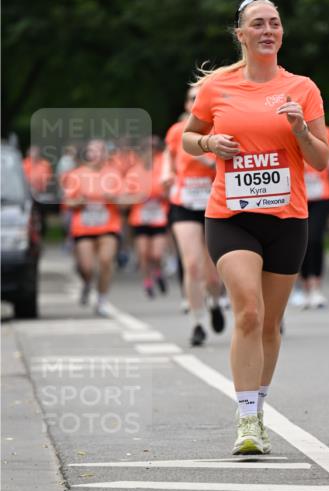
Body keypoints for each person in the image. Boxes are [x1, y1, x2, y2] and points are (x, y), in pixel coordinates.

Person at [183, 0, 329, 455]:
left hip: (287, 218)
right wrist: (208, 141)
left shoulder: (302, 87)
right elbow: (188, 138)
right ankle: (247, 420)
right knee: (248, 309)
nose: (268, 31)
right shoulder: (217, 88)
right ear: (240, 35)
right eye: (258, 24)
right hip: (231, 217)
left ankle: (258, 406)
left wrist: (302, 130)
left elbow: (322, 160)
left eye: (275, 24)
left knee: (270, 323)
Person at [165, 89, 225, 346]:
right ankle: (197, 322)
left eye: (201, 97)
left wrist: (209, 161)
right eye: (192, 98)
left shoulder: (221, 128)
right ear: (187, 104)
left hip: (215, 202)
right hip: (185, 202)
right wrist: (165, 174)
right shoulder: (177, 131)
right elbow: (169, 157)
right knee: (191, 264)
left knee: (213, 274)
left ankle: (213, 301)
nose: (195, 102)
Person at [62, 139, 134, 315]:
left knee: (105, 261)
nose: (95, 155)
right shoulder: (76, 175)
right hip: (83, 227)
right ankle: (87, 283)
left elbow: (126, 203)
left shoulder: (114, 175)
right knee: (86, 267)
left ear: (105, 154)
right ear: (87, 154)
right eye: (92, 151)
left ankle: (102, 300)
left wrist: (113, 199)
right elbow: (68, 202)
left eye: (99, 151)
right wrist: (80, 200)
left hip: (108, 226)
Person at [293, 125, 329, 309]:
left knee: (315, 238)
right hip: (297, 194)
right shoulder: (284, 129)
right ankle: (304, 287)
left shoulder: (325, 131)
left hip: (321, 195)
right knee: (300, 241)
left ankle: (316, 286)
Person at [126, 139, 170, 297]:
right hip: (140, 219)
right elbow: (125, 199)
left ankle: (158, 272)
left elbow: (170, 189)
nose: (149, 153)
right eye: (146, 150)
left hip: (159, 217)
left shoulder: (162, 167)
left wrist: (162, 195)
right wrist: (139, 197)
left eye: (153, 149)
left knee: (156, 254)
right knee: (143, 253)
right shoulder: (133, 172)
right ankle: (148, 282)